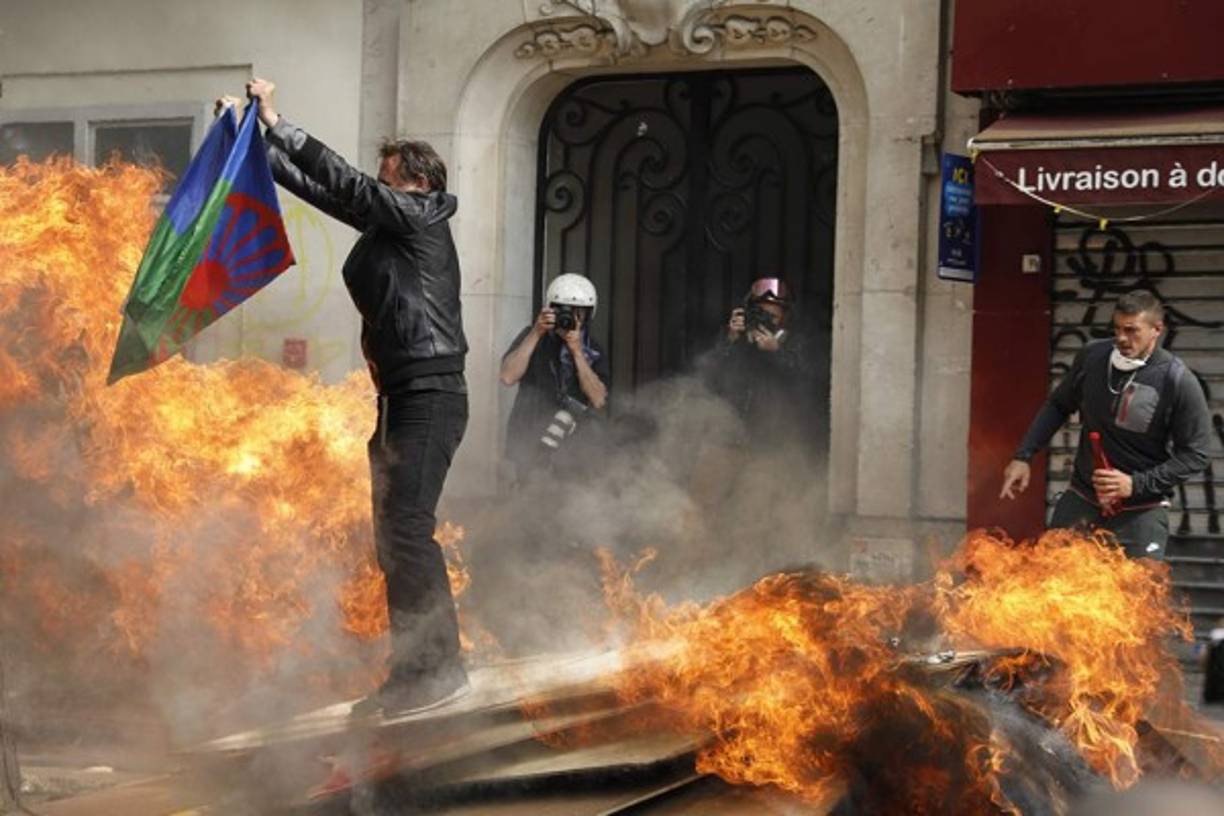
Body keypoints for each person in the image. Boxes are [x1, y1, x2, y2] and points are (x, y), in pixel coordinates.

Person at [221, 79, 469, 716]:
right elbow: (321, 189)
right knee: (392, 538)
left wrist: (278, 122)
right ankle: (414, 666)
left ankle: (439, 670)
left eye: (387, 177)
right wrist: (245, 141)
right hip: (398, 397)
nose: (377, 187)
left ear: (415, 181)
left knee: (409, 532)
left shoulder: (422, 215)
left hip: (431, 392)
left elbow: (351, 186)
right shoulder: (391, 223)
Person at [1000, 291, 1212, 559]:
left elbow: (1197, 455)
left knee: (1137, 598)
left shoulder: (1176, 380)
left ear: (1156, 330)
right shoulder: (1093, 357)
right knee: (1053, 587)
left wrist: (1135, 484)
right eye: (1117, 328)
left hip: (1140, 511)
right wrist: (1023, 456)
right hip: (1082, 499)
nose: (1122, 338)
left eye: (1132, 330)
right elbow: (1058, 405)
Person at [498, 273, 608, 483]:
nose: (568, 318)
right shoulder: (531, 338)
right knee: (530, 504)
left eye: (578, 312)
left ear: (588, 314)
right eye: (562, 310)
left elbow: (598, 399)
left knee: (571, 508)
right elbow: (507, 377)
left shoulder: (592, 349)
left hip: (576, 449)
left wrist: (577, 352)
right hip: (530, 439)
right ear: (550, 309)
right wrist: (536, 333)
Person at [708, 277, 814, 452]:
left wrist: (777, 351)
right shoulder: (738, 336)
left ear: (785, 316)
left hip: (778, 431)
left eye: (772, 317)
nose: (764, 321)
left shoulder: (797, 341)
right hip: (735, 428)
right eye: (759, 314)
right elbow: (713, 371)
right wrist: (732, 338)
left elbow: (808, 381)